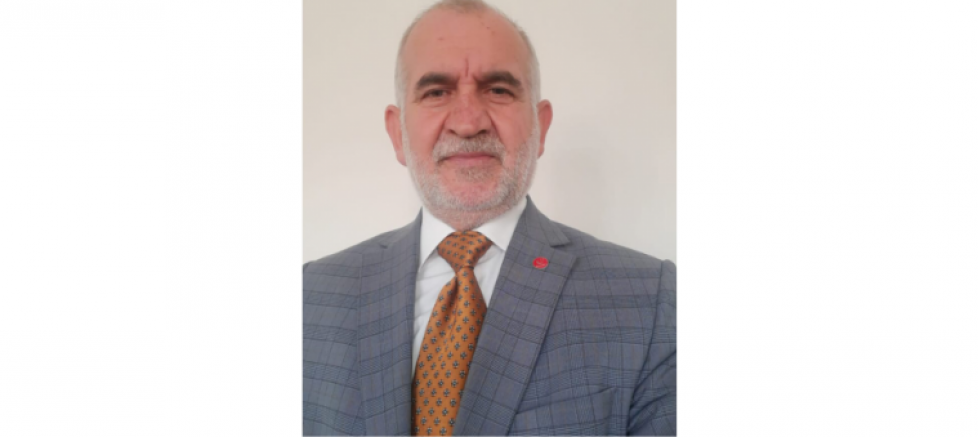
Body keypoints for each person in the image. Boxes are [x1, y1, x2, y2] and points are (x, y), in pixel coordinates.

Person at [303, 0, 676, 435]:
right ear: (397, 133)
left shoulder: (650, 300)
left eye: (498, 90)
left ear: (540, 127)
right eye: (436, 92)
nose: (468, 123)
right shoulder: (311, 295)